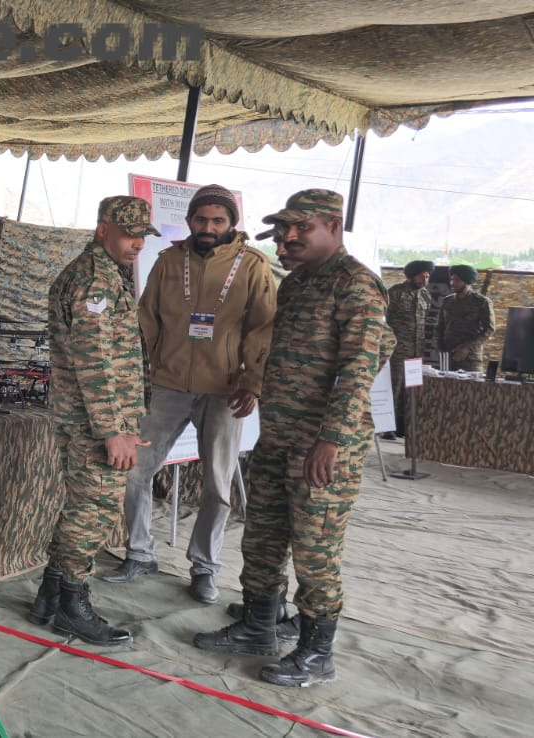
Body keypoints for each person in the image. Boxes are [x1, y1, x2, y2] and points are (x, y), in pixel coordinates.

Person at [193, 189, 394, 688]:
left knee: (314, 549)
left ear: (333, 226)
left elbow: (358, 369)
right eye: (283, 230)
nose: (287, 239)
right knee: (262, 536)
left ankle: (316, 652)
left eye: (301, 228)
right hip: (279, 435)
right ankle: (259, 626)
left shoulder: (356, 285)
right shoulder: (299, 283)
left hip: (322, 445)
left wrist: (332, 439)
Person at [101, 184, 277, 605]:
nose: (208, 227)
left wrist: (253, 381)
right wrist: (141, 372)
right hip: (168, 385)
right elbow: (147, 319)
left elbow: (263, 328)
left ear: (231, 223)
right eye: (201, 219)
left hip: (225, 390)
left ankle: (204, 568)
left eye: (218, 220)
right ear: (190, 221)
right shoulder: (168, 261)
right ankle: (139, 553)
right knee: (135, 471)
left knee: (217, 484)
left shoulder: (252, 265)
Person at [26, 195, 156, 647]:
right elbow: (94, 360)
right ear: (103, 229)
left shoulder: (101, 274)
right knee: (93, 512)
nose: (138, 244)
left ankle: (50, 594)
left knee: (83, 507)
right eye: (130, 234)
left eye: (143, 235)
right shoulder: (94, 281)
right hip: (95, 424)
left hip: (94, 419)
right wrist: (112, 430)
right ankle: (72, 606)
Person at [380, 260, 436, 439]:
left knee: (411, 388)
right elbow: (383, 319)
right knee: (394, 386)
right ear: (412, 275)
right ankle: (388, 426)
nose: (425, 280)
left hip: (416, 350)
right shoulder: (395, 293)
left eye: (427, 276)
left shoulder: (425, 295)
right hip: (397, 349)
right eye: (422, 276)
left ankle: (405, 425)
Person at [435, 264, 496, 372]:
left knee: (470, 383)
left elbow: (489, 329)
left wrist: (468, 347)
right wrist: (440, 348)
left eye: (457, 280)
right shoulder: (447, 301)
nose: (452, 283)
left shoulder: (481, 302)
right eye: (452, 279)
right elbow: (440, 326)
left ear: (467, 281)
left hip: (470, 359)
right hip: (448, 357)